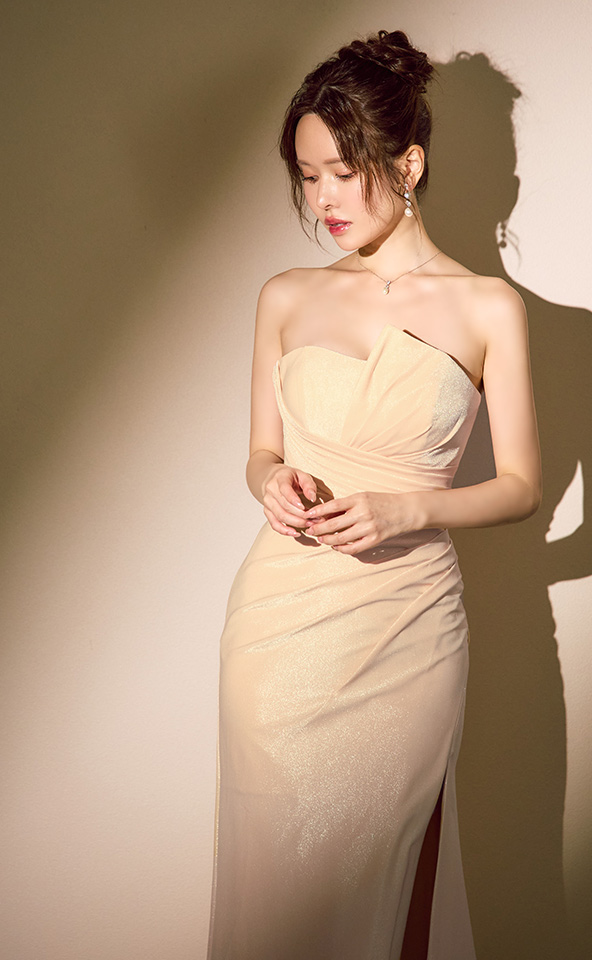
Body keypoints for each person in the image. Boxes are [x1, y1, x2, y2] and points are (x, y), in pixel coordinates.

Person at [206, 29, 541, 960]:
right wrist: (272, 480)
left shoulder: (488, 308)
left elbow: (521, 486)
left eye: (341, 174)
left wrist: (410, 509)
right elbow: (258, 453)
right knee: (275, 894)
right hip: (279, 631)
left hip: (408, 628)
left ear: (407, 164)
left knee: (389, 890)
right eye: (307, 176)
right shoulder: (286, 295)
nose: (321, 200)